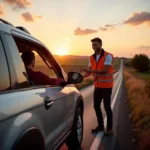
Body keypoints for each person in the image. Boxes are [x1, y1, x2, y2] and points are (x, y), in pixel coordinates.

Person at [81, 37, 114, 136]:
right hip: (97, 86)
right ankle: (100, 126)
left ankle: (110, 129)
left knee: (107, 107)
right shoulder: (91, 57)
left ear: (100, 44)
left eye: (95, 44)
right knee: (96, 106)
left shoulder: (108, 56)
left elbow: (105, 70)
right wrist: (80, 78)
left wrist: (90, 71)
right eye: (92, 45)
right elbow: (89, 71)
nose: (93, 47)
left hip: (107, 86)